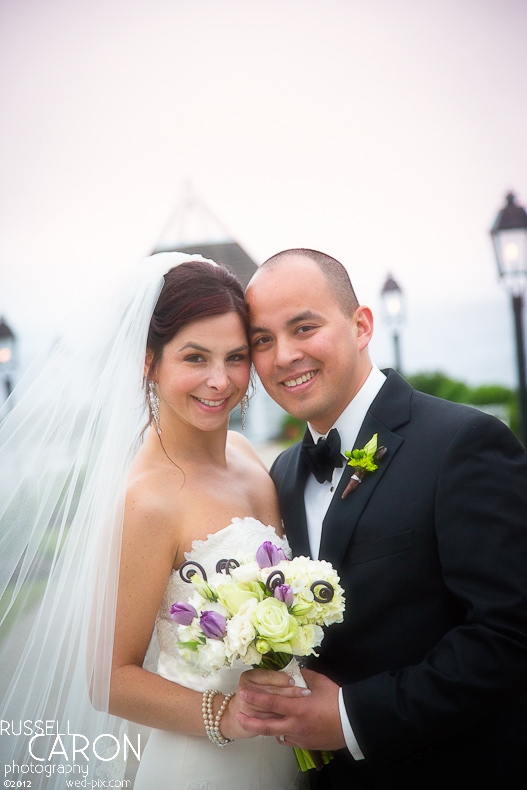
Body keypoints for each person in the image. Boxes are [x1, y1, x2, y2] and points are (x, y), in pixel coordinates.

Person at [0, 253, 301, 790]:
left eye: (235, 357)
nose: (219, 381)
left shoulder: (246, 454)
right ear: (148, 362)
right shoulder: (146, 500)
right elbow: (108, 680)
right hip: (206, 766)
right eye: (194, 357)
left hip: (284, 752)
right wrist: (225, 715)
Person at [236, 247, 527, 789]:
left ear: (362, 324)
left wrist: (350, 718)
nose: (284, 356)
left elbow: (509, 634)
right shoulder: (280, 474)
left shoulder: (462, 443)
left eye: (304, 327)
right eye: (262, 341)